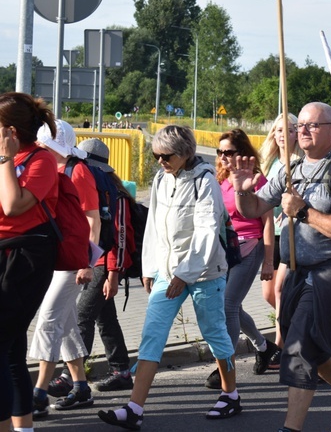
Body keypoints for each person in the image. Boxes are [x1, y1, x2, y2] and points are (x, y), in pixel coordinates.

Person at [229, 102, 331, 432]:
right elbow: (254, 207)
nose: (303, 131)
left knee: (298, 347)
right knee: (311, 345)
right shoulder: (289, 169)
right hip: (297, 269)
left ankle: (290, 429)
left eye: (313, 125)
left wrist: (304, 212)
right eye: (301, 126)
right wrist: (240, 190)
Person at [99, 125, 240, 429]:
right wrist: (149, 268)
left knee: (215, 334)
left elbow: (206, 232)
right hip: (166, 272)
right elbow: (154, 228)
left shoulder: (205, 182)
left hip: (205, 273)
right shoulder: (162, 178)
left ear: (186, 153)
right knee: (152, 335)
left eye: (166, 155)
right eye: (156, 155)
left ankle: (231, 395)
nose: (160, 161)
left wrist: (184, 273)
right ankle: (134, 408)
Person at [28, 119, 98, 415]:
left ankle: (39, 393)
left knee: (48, 320)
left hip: (74, 260)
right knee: (66, 323)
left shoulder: (77, 171)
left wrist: (88, 263)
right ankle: (81, 387)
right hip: (58, 257)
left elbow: (93, 219)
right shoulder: (53, 168)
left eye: (44, 146)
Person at [0, 93, 59, 432]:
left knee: (1, 346)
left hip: (24, 259)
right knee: (10, 350)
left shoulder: (41, 161)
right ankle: (23, 427)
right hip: (4, 254)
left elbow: (13, 205)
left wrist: (6, 160)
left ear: (10, 131)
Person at [205, 128, 279, 389]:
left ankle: (226, 368)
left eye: (229, 152)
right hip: (224, 250)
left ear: (243, 153)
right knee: (231, 306)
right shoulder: (220, 178)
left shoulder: (257, 180)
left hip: (250, 247)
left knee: (227, 305)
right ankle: (263, 346)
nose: (223, 156)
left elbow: (268, 223)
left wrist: (268, 262)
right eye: (220, 151)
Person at [74, 138, 135, 393]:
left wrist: (112, 275)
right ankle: (121, 370)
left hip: (104, 264)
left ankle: (73, 377)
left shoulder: (116, 194)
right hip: (94, 260)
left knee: (82, 316)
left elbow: (120, 239)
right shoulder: (98, 189)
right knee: (105, 317)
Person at [258, 113, 304, 361]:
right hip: (269, 235)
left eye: (290, 130)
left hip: (292, 234)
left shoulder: (302, 161)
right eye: (278, 130)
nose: (284, 135)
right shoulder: (269, 162)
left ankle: (280, 343)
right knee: (268, 294)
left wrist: (290, 214)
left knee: (280, 290)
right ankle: (299, 323)